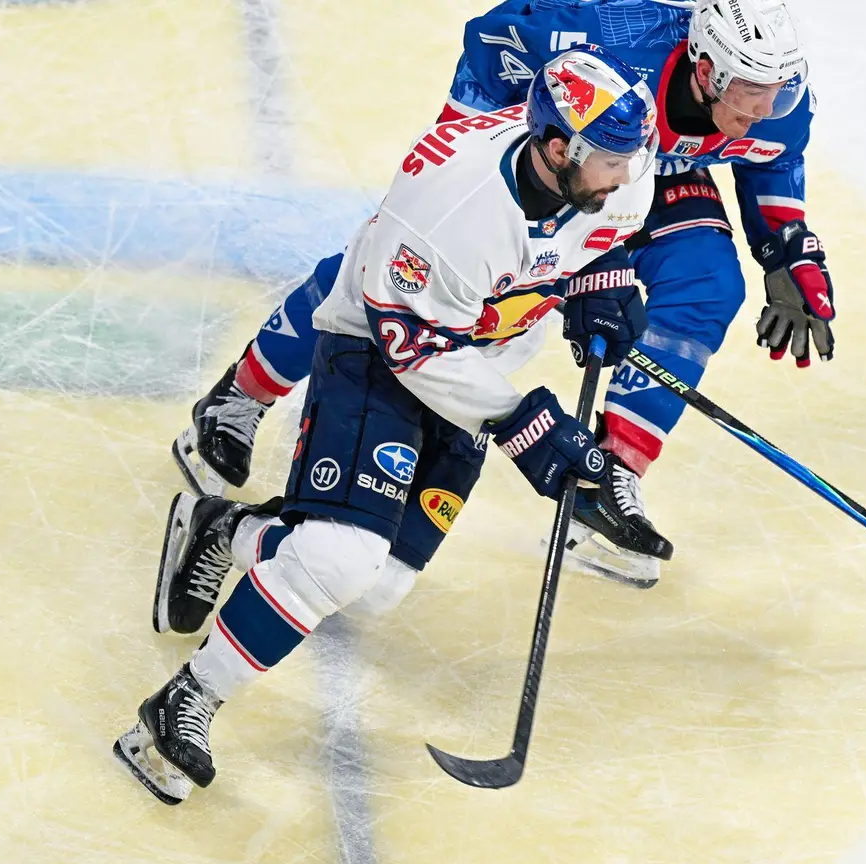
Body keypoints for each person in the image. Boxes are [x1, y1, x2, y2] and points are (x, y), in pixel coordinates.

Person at [116, 47, 659, 805]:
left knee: (375, 589)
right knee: (340, 560)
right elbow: (417, 350)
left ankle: (223, 529)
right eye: (611, 161)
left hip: (477, 357)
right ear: (558, 147)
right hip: (379, 346)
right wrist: (524, 425)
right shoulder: (446, 209)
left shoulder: (615, 162)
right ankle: (182, 704)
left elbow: (614, 232)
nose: (630, 174)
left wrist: (604, 284)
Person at [172, 0, 831, 588]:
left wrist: (787, 251)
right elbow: (494, 37)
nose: (762, 107)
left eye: (773, 91)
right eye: (748, 91)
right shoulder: (601, 37)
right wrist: (470, 159)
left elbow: (773, 155)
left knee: (708, 284)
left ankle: (607, 477)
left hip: (641, 170)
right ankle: (241, 396)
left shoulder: (776, 97)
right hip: (556, 135)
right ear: (707, 67)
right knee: (397, 270)